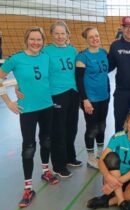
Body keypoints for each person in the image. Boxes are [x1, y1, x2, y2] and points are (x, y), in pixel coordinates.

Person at [0, 27, 58, 207]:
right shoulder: (15, 59)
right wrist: (9, 101)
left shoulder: (46, 57)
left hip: (47, 105)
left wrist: (19, 86)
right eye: (32, 39)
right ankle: (28, 187)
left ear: (43, 41)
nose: (36, 43)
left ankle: (46, 171)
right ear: (26, 40)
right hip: (27, 110)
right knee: (29, 147)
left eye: (39, 40)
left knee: (47, 140)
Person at [44, 21, 81, 177]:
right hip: (57, 93)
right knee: (58, 129)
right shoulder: (46, 51)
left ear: (67, 35)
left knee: (71, 127)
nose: (60, 36)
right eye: (57, 33)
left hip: (73, 92)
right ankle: (59, 165)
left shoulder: (73, 50)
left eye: (62, 33)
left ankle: (70, 157)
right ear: (52, 35)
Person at [75, 27, 110, 169]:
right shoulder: (82, 57)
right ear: (86, 39)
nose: (95, 39)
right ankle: (90, 158)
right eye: (91, 37)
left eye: (96, 36)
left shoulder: (103, 52)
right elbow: (79, 81)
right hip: (90, 99)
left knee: (102, 126)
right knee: (92, 128)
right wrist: (84, 99)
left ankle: (100, 154)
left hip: (104, 97)